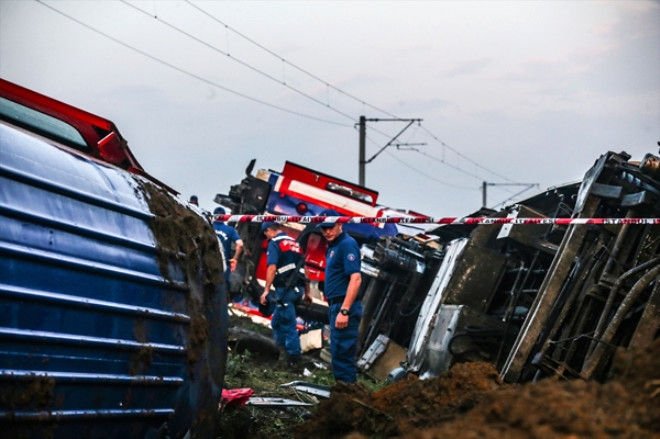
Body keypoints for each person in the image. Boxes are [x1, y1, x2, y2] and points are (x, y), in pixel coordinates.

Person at [317, 210, 362, 383]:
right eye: (324, 229)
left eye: (331, 228)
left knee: (342, 354)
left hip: (344, 306)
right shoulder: (334, 245)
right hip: (336, 305)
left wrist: (344, 310)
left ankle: (348, 396)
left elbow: (356, 279)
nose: (327, 232)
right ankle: (344, 392)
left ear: (340, 224)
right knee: (337, 353)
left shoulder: (347, 244)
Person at [259, 221, 311, 370]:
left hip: (286, 291)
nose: (267, 237)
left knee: (289, 326)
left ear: (269, 231)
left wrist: (266, 290)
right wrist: (307, 292)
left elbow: (272, 267)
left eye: (266, 234)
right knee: (276, 322)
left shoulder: (275, 243)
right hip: (298, 290)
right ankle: (280, 352)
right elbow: (305, 269)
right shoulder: (295, 244)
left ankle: (294, 361)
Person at [213, 206, 243, 295]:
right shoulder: (230, 230)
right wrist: (235, 259)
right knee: (219, 291)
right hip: (223, 264)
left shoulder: (207, 225)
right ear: (224, 216)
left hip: (207, 262)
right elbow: (240, 244)